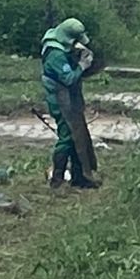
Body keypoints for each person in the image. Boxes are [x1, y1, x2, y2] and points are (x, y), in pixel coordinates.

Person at [40, 17, 98, 189]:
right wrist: (81, 65)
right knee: (67, 137)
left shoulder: (58, 43)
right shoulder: (56, 55)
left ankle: (79, 177)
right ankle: (57, 180)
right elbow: (69, 78)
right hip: (60, 101)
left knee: (77, 136)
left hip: (69, 99)